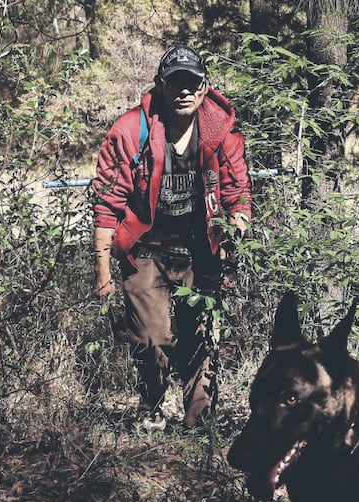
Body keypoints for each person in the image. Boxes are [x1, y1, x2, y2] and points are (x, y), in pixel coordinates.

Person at [90, 44, 252, 431]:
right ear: (160, 86)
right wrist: (102, 271)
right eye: (175, 82)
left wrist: (236, 230)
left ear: (204, 86)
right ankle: (152, 407)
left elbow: (237, 191)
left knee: (202, 339)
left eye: (191, 82)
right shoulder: (132, 130)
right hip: (146, 250)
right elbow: (106, 204)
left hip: (201, 250)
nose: (183, 90)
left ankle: (199, 426)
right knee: (151, 339)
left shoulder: (221, 130)